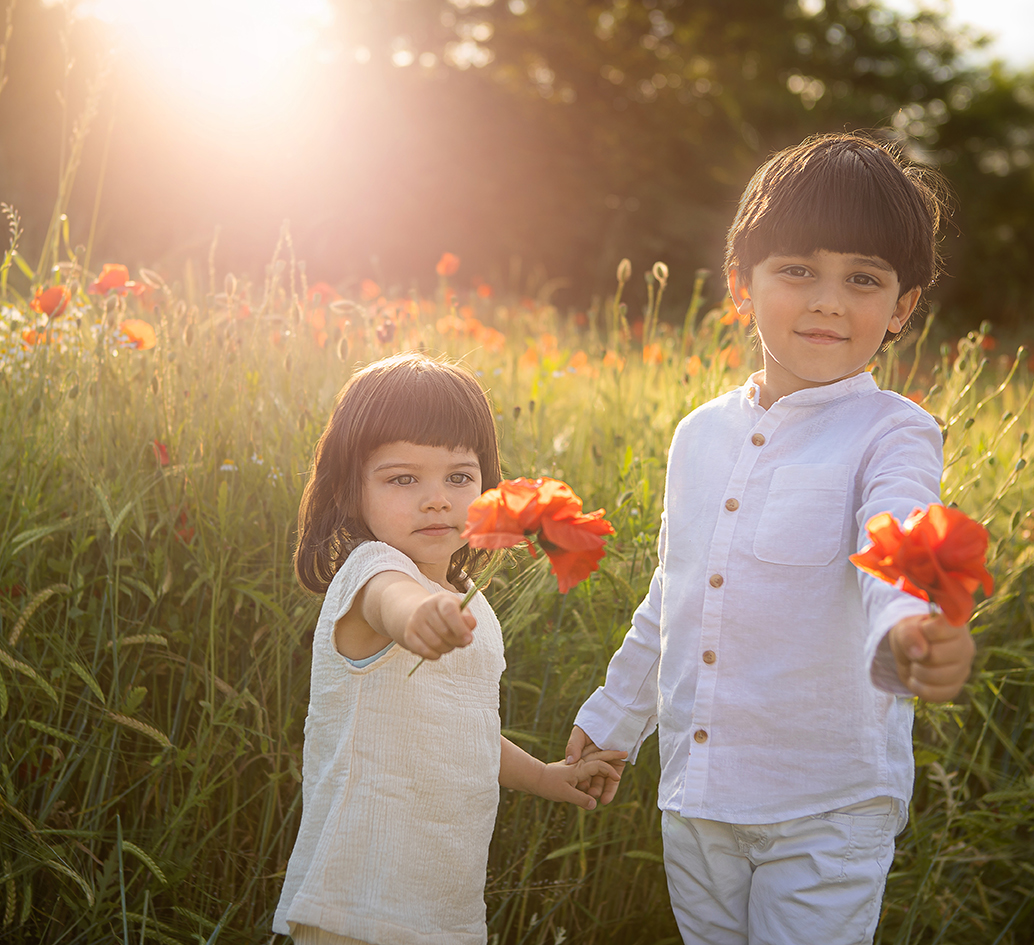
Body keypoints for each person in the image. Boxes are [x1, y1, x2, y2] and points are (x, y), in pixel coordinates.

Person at [564, 133, 976, 945]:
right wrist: (616, 713)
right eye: (797, 270)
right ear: (739, 287)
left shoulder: (891, 432)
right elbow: (675, 589)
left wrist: (910, 623)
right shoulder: (698, 433)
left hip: (826, 803)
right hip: (700, 794)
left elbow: (896, 524)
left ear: (901, 307)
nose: (827, 300)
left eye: (862, 278)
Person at [275, 352, 626, 945]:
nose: (436, 499)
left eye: (458, 477)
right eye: (403, 478)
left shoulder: (470, 602)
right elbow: (391, 602)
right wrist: (419, 616)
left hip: (442, 904)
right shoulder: (372, 571)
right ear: (351, 492)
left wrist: (543, 775)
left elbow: (462, 732)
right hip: (357, 899)